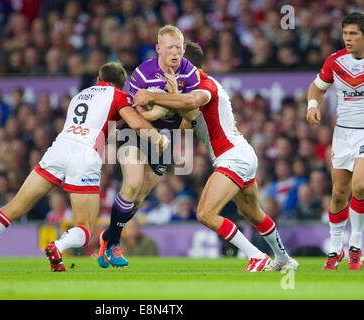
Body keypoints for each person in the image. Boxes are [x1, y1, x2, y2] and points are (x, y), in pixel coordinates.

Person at [0, 62, 169, 272]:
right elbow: (138, 125)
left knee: (14, 207)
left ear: (98, 79)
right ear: (121, 84)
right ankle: (58, 246)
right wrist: (159, 140)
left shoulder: (79, 96)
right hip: (84, 156)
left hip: (58, 149)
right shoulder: (119, 96)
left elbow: (99, 127)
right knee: (84, 228)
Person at [133, 41, 299, 271]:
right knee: (253, 213)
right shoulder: (188, 90)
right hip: (240, 154)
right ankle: (284, 259)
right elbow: (185, 123)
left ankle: (256, 255)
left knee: (205, 213)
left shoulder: (205, 85)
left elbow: (191, 102)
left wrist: (151, 96)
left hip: (233, 157)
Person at [97, 25, 200, 268]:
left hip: (169, 138)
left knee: (140, 195)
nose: (175, 52)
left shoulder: (190, 74)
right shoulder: (143, 73)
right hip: (136, 132)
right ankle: (114, 244)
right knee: (131, 183)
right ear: (159, 49)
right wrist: (170, 104)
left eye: (179, 47)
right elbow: (137, 113)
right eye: (170, 47)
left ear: (184, 48)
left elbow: (191, 118)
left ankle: (108, 235)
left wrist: (173, 100)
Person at [306, 12, 364, 271]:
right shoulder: (335, 61)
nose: (348, 39)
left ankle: (356, 245)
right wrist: (312, 105)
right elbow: (317, 87)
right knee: (340, 192)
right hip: (343, 133)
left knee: (360, 186)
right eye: (345, 34)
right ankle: (335, 248)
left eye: (353, 34)